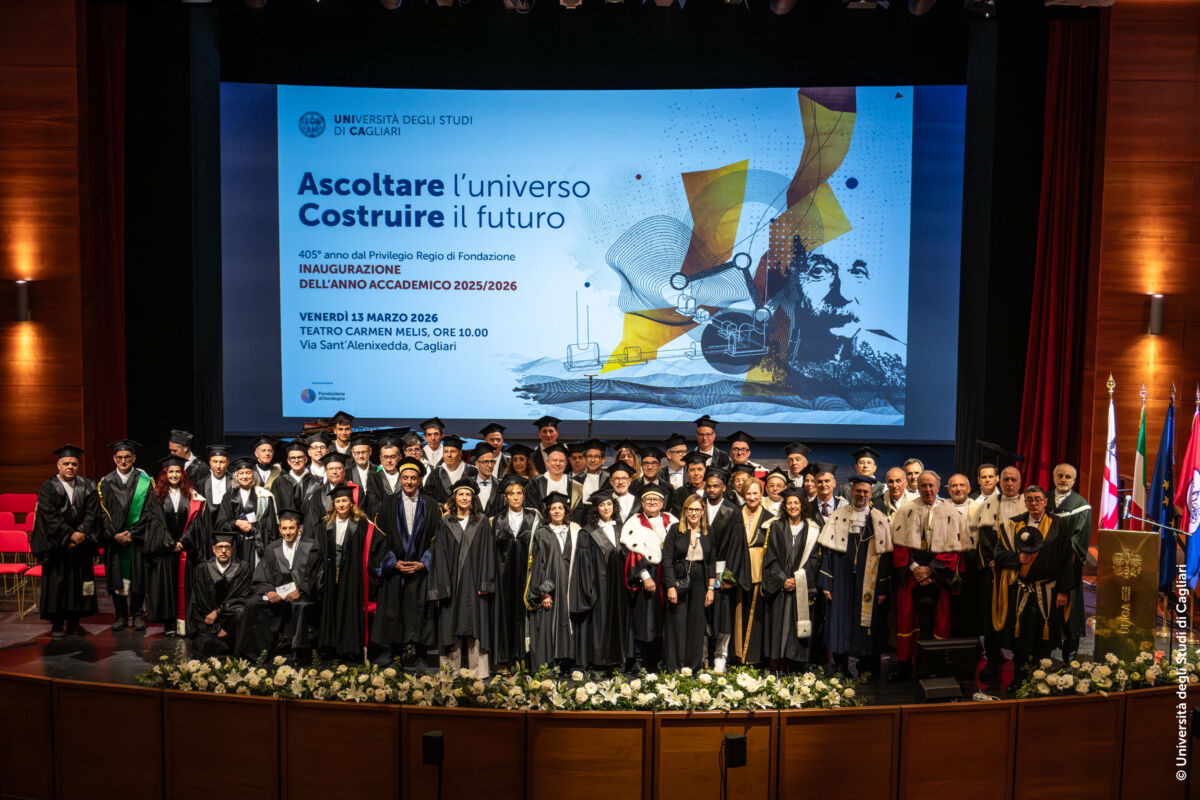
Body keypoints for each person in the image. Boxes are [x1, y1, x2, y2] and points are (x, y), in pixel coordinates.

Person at [817, 475, 894, 677]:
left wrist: (883, 588)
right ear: (852, 492)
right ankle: (842, 666)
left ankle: (867, 668)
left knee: (867, 623)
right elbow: (828, 552)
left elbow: (885, 556)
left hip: (868, 577)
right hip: (842, 577)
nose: (861, 495)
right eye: (858, 491)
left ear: (871, 494)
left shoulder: (879, 518)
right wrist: (827, 583)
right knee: (841, 620)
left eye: (865, 492)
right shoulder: (839, 515)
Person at [996, 485, 1073, 685]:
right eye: (1029, 499)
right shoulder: (1013, 525)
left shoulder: (1060, 525)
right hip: (1021, 591)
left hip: (1049, 591)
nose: (1034, 503)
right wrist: (1017, 558)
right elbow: (999, 556)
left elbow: (1067, 560)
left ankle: (1041, 680)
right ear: (1025, 502)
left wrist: (1063, 591)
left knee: (1044, 638)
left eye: (1038, 499)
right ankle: (1019, 680)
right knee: (1020, 639)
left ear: (1045, 502)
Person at [890, 471, 966, 677]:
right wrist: (915, 567)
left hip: (938, 576)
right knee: (908, 619)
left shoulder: (950, 511)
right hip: (912, 575)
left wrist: (931, 568)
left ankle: (936, 665)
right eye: (923, 486)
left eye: (931, 485)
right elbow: (898, 543)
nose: (928, 490)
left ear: (939, 486)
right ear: (917, 486)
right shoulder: (906, 510)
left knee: (939, 621)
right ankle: (908, 666)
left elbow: (954, 546)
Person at [371, 457, 439, 668]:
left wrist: (424, 562)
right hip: (396, 569)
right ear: (399, 480)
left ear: (419, 480)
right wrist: (393, 562)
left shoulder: (432, 505)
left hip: (420, 569)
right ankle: (396, 654)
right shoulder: (387, 504)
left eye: (413, 478)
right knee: (395, 611)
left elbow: (439, 538)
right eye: (405, 478)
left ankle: (420, 655)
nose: (409, 482)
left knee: (420, 612)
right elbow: (379, 538)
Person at [427, 479, 497, 678]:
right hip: (452, 582)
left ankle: (478, 670)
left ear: (473, 498)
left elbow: (488, 553)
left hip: (475, 581)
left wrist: (486, 582)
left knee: (476, 623)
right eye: (461, 494)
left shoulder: (482, 521)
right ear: (454, 498)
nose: (464, 498)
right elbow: (439, 554)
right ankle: (450, 670)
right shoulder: (445, 522)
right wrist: (441, 585)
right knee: (450, 623)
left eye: (468, 495)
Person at [31, 445, 100, 637]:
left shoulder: (88, 485)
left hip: (81, 545)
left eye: (74, 464)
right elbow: (49, 517)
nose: (70, 467)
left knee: (79, 584)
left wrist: (81, 534)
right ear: (58, 465)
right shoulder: (48, 487)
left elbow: (92, 514)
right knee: (57, 585)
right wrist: (70, 535)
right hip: (57, 546)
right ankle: (57, 624)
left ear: (78, 466)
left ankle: (74, 623)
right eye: (66, 463)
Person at [315, 485, 390, 661]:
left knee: (349, 610)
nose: (341, 504)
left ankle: (350, 649)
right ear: (334, 504)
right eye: (338, 501)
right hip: (331, 572)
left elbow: (378, 544)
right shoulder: (326, 523)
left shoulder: (362, 524)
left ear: (351, 503)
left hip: (352, 574)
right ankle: (332, 647)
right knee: (332, 609)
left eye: (344, 501)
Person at [239, 509, 323, 661]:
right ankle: (259, 653)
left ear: (299, 529)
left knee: (301, 606)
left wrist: (300, 590)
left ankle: (299, 655)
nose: (288, 532)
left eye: (291, 528)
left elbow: (316, 574)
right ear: (279, 529)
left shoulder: (311, 546)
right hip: (278, 592)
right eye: (284, 528)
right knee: (253, 604)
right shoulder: (273, 547)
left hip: (303, 593)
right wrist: (269, 591)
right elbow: (262, 573)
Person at [526, 492, 593, 670]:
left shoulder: (576, 531)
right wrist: (544, 592)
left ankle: (569, 663)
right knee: (550, 626)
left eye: (560, 508)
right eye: (553, 509)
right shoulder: (542, 533)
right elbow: (539, 565)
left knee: (570, 623)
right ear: (548, 512)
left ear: (566, 510)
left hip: (572, 586)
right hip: (552, 587)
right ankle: (550, 664)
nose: (557, 511)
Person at [144, 455, 209, 637]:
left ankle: (186, 621)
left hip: (185, 551)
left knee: (185, 586)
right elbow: (155, 523)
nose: (174, 475)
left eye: (177, 472)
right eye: (170, 472)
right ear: (164, 475)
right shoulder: (155, 496)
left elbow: (196, 522)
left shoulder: (192, 495)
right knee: (168, 587)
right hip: (165, 552)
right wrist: (170, 543)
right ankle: (170, 623)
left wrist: (183, 542)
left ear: (183, 474)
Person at [761, 487, 823, 672]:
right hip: (781, 588)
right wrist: (783, 579)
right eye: (789, 503)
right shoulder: (776, 526)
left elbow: (814, 560)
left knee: (798, 623)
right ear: (784, 506)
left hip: (801, 587)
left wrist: (798, 579)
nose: (793, 506)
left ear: (802, 505)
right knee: (779, 624)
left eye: (796, 503)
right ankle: (778, 664)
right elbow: (769, 557)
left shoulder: (812, 529)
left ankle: (796, 665)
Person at [98, 439, 154, 632]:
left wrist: (133, 533)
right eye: (119, 458)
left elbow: (149, 511)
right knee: (117, 577)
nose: (123, 461)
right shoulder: (105, 483)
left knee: (138, 577)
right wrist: (114, 535)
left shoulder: (145, 482)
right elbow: (101, 514)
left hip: (137, 540)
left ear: (134, 458)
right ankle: (120, 615)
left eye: (127, 457)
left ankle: (137, 614)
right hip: (115, 541)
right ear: (114, 459)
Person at [977, 465, 1026, 683]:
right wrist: (990, 561)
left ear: (1020, 482)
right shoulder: (989, 504)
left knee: (1018, 617)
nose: (1009, 483)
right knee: (992, 616)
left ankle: (1019, 659)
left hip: (1022, 572)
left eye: (1013, 479)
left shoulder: (1028, 503)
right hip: (995, 572)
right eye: (1005, 479)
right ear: (1000, 481)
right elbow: (984, 538)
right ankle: (993, 659)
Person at [620, 485, 676, 670]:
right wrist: (644, 576)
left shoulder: (672, 520)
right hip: (648, 575)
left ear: (662, 503)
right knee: (646, 620)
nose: (652, 502)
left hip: (668, 574)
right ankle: (644, 662)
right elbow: (632, 552)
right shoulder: (635, 522)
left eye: (656, 499)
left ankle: (665, 661)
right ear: (642, 503)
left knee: (666, 620)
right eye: (647, 500)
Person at [490, 474, 541, 669]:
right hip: (503, 576)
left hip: (526, 575)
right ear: (505, 497)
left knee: (525, 616)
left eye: (519, 493)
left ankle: (525, 658)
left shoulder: (534, 517)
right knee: (505, 616)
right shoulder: (496, 520)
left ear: (524, 495)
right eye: (511, 493)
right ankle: (506, 658)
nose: (516, 497)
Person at [661, 494, 716, 672]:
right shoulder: (676, 529)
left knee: (697, 624)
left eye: (697, 509)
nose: (693, 513)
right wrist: (670, 586)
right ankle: (675, 668)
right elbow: (667, 559)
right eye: (690, 509)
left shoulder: (708, 530)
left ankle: (692, 667)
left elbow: (712, 561)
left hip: (701, 581)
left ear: (703, 511)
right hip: (679, 579)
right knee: (677, 623)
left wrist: (710, 589)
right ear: (685, 511)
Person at [704, 466, 749, 672]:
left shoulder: (732, 511)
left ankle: (720, 657)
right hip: (701, 570)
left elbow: (737, 547)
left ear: (724, 487)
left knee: (723, 617)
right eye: (708, 486)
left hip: (722, 571)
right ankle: (703, 656)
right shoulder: (698, 507)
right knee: (703, 616)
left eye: (716, 486)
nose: (711, 489)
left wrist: (729, 577)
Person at [578, 488, 627, 669]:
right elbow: (585, 564)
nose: (606, 508)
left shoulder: (621, 528)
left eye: (608, 504)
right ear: (596, 509)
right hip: (599, 584)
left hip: (618, 584)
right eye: (601, 505)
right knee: (600, 623)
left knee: (618, 622)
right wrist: (590, 589)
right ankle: (599, 663)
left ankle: (617, 661)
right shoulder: (588, 532)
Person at [1049, 463, 1091, 661]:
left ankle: (1070, 657)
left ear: (1074, 481)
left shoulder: (1081, 506)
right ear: (1054, 477)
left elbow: (1079, 540)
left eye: (1068, 477)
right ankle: (1044, 655)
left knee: (1070, 612)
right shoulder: (1044, 500)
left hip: (1069, 568)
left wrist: (1056, 550)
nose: (1063, 479)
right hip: (1044, 568)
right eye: (1060, 475)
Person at [732, 477, 774, 666]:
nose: (751, 497)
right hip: (737, 569)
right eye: (748, 493)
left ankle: (752, 658)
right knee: (737, 611)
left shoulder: (769, 517)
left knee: (754, 613)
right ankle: (737, 655)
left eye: (755, 493)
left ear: (761, 494)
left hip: (758, 569)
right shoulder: (735, 514)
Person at [189, 533, 253, 657]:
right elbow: (200, 600)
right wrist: (216, 628)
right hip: (209, 621)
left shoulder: (243, 568)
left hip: (231, 617)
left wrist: (218, 611)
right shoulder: (203, 569)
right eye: (219, 547)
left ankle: (237, 654)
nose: (223, 551)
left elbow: (241, 597)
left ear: (232, 550)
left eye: (227, 547)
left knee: (241, 613)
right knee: (205, 646)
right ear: (213, 549)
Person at [216, 456, 279, 565]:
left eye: (248, 473)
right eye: (241, 473)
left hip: (257, 542)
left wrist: (253, 527)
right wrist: (236, 523)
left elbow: (270, 524)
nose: (245, 476)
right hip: (236, 544)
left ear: (253, 475)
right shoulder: (229, 496)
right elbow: (221, 522)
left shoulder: (263, 496)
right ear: (236, 476)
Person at [526, 443, 581, 514]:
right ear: (547, 462)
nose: (558, 464)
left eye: (561, 461)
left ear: (565, 464)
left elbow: (579, 513)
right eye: (554, 460)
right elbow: (530, 509)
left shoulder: (575, 485)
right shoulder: (535, 484)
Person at [425, 435, 475, 506]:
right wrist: (442, 506)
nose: (449, 455)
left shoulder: (472, 471)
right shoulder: (436, 473)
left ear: (460, 454)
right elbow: (427, 497)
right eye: (446, 452)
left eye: (453, 451)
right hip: (441, 514)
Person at [272, 440, 317, 515]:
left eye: (300, 457)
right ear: (288, 461)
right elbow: (275, 508)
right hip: (287, 524)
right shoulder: (279, 481)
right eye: (292, 458)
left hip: (311, 525)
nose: (296, 461)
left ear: (306, 460)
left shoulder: (317, 481)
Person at [348, 434, 383, 518]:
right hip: (355, 518)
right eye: (357, 453)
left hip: (376, 517)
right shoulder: (347, 474)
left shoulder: (379, 471)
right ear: (352, 453)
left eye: (363, 452)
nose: (360, 456)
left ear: (370, 451)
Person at [198, 444, 231, 526]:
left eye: (222, 462)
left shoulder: (234, 483)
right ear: (210, 463)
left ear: (227, 463)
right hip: (207, 529)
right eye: (215, 462)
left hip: (229, 530)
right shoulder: (201, 484)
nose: (218, 466)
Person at [668, 451, 708, 517]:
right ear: (687, 472)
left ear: (705, 471)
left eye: (700, 469)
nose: (696, 473)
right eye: (692, 470)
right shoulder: (680, 493)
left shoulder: (712, 491)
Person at [471, 442, 503, 517]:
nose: (490, 465)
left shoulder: (501, 485)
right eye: (486, 462)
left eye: (492, 461)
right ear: (477, 463)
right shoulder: (468, 485)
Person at [579, 439, 611, 504]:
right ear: (585, 459)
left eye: (596, 457)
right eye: (589, 456)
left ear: (603, 459)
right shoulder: (577, 479)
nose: (592, 460)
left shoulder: (609, 479)